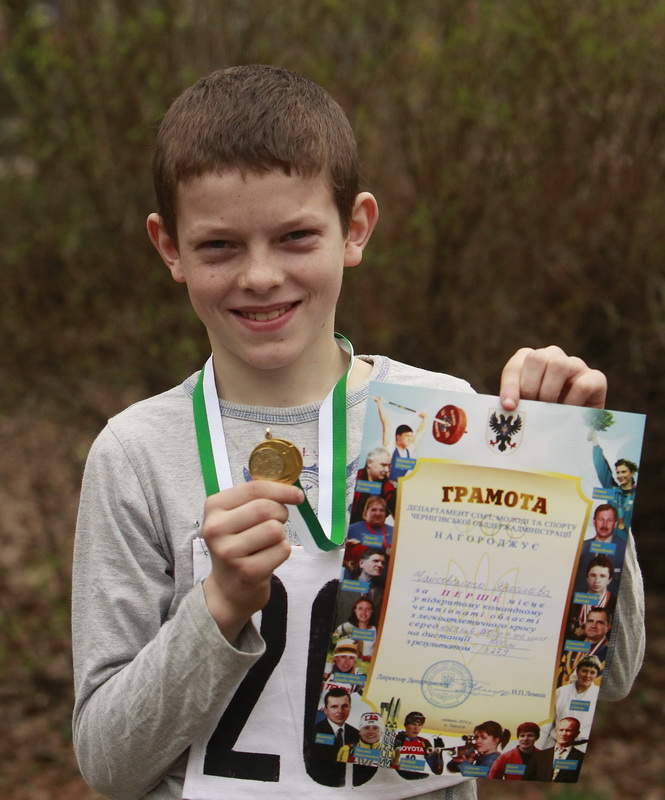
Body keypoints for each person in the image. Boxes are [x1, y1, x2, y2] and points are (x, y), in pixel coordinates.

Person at [71, 64, 644, 800]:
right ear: (169, 247)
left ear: (356, 228)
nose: (260, 275)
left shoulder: (446, 422)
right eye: (219, 246)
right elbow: (108, 763)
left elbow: (612, 671)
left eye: (296, 236)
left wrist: (572, 453)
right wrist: (217, 608)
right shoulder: (135, 454)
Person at [540, 655, 601, 751]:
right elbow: (547, 724)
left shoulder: (598, 695)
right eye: (584, 671)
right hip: (554, 746)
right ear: (577, 671)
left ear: (596, 674)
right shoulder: (561, 692)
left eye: (592, 672)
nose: (587, 676)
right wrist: (538, 749)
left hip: (581, 748)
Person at [589, 429, 638, 537]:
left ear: (632, 473)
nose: (620, 476)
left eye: (623, 472)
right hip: (611, 541)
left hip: (629, 541)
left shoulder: (637, 495)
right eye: (618, 472)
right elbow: (601, 469)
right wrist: (595, 442)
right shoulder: (613, 491)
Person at [573, 504, 626, 592]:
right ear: (594, 522)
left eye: (609, 520)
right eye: (601, 519)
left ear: (615, 524)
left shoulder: (624, 549)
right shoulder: (580, 546)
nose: (604, 524)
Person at [374, 396, 427, 482]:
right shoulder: (390, 447)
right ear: (398, 437)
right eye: (407, 436)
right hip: (387, 484)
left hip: (399, 485)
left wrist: (425, 418)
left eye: (411, 436)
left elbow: (420, 432)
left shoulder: (409, 449)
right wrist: (379, 404)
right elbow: (385, 424)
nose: (410, 439)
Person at [560, 608, 612, 686]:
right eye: (590, 621)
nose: (593, 626)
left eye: (600, 623)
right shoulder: (573, 646)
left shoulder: (610, 653)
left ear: (608, 627)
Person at [524, 717, 585, 782]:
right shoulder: (538, 756)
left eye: (568, 730)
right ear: (556, 731)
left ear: (577, 734)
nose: (563, 734)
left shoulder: (582, 758)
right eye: (561, 730)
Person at [569, 554, 616, 638]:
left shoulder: (615, 603)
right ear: (587, 578)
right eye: (593, 575)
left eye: (602, 576)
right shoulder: (572, 601)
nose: (597, 581)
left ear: (609, 580)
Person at [350, 446, 396, 522]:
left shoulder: (388, 487)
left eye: (389, 466)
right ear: (369, 463)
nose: (387, 470)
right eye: (383, 465)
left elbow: (397, 512)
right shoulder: (354, 479)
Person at [313, 688, 359, 760]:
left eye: (344, 706)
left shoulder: (357, 735)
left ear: (350, 708)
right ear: (325, 710)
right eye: (334, 706)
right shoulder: (314, 732)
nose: (340, 711)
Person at [332, 596, 377, 661]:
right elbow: (333, 649)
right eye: (360, 608)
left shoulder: (376, 630)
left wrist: (365, 658)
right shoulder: (343, 627)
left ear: (372, 611)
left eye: (368, 609)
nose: (364, 612)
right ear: (355, 610)